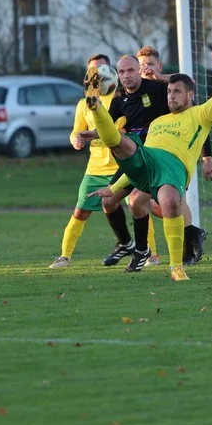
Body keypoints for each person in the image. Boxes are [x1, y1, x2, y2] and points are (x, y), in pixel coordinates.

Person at [88, 38, 212, 281]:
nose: (171, 96)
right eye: (168, 92)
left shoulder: (200, 114)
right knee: (123, 144)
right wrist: (112, 187)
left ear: (189, 95)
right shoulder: (157, 123)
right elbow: (137, 168)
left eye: (176, 92)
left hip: (173, 166)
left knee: (168, 200)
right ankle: (95, 106)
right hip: (148, 158)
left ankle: (176, 267)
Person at [49, 54, 132, 269]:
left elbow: (117, 131)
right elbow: (77, 130)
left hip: (121, 167)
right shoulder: (83, 104)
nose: (98, 75)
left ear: (111, 72)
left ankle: (152, 255)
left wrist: (95, 134)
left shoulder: (120, 98)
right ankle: (64, 257)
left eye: (102, 69)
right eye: (93, 71)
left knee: (138, 205)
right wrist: (75, 138)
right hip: (95, 170)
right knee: (80, 211)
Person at [135, 45, 212, 265]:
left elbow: (199, 125)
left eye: (151, 64)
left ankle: (184, 249)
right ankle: (191, 235)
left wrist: (206, 157)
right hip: (149, 154)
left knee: (175, 201)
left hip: (175, 157)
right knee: (151, 204)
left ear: (159, 66)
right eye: (142, 65)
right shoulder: (137, 91)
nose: (146, 69)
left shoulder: (169, 89)